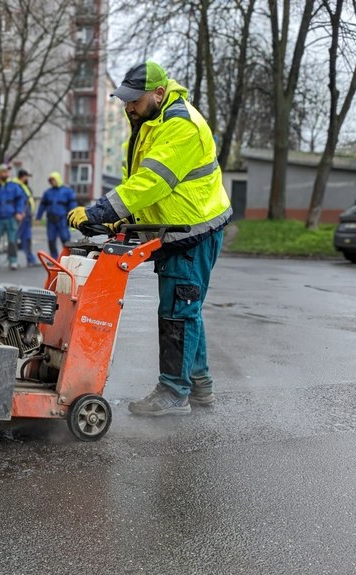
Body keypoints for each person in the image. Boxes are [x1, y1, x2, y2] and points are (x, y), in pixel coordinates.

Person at [68, 60, 232, 417]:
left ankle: (174, 392)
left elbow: (152, 182)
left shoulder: (180, 125)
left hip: (193, 230)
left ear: (158, 93)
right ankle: (199, 384)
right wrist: (124, 221)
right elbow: (141, 186)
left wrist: (100, 213)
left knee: (178, 310)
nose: (128, 106)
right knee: (186, 307)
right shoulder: (150, 120)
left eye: (134, 100)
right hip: (179, 227)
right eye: (126, 100)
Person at [37, 172, 77, 260]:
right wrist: (38, 217)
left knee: (65, 239)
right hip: (51, 220)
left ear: (57, 179)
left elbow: (72, 207)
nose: (52, 182)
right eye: (50, 180)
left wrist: (73, 220)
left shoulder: (67, 192)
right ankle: (54, 258)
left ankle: (67, 258)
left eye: (53, 180)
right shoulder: (48, 193)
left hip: (62, 219)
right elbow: (42, 205)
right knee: (51, 240)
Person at [12, 168, 38, 267]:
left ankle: (30, 259)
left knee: (27, 238)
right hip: (20, 217)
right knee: (15, 239)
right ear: (23, 176)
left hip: (27, 217)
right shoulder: (16, 186)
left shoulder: (24, 186)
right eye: (27, 177)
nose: (28, 179)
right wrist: (19, 212)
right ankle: (13, 261)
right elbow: (18, 201)